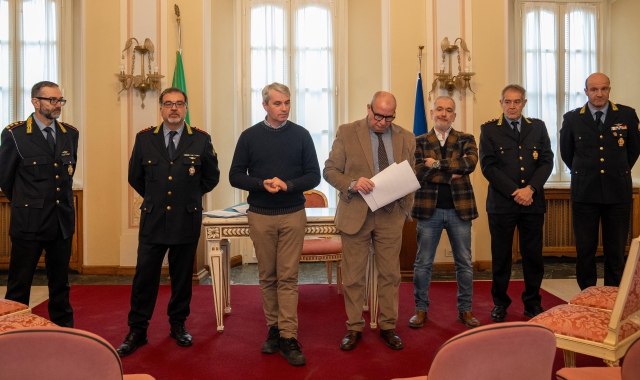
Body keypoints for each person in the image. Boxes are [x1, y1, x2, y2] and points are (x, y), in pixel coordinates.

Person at [116, 87, 220, 357]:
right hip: (154, 219)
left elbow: (211, 177)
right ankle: (137, 329)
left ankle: (178, 324)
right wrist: (155, 197)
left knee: (182, 277)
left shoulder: (200, 139)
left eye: (179, 104)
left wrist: (190, 196)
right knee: (144, 278)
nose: (174, 108)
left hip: (186, 218)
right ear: (160, 108)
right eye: (168, 104)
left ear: (186, 108)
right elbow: (134, 177)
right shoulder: (144, 139)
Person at [229, 82, 320, 366]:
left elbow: (314, 176)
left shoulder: (302, 135)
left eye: (287, 103)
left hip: (293, 213)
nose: (284, 108)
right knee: (267, 275)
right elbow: (234, 175)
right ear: (265, 105)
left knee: (288, 277)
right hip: (260, 214)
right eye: (278, 104)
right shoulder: (249, 136)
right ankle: (274, 328)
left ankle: (288, 336)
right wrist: (261, 183)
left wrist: (288, 184)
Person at [324, 91, 416, 351]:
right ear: (369, 109)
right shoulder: (347, 132)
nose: (383, 122)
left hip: (390, 215)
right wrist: (353, 184)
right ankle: (354, 327)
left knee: (390, 274)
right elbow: (329, 170)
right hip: (356, 213)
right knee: (353, 276)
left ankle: (388, 326)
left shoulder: (406, 137)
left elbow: (409, 174)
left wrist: (405, 206)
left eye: (389, 117)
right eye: (378, 116)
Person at [0, 81, 79, 328]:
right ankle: (13, 332)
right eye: (52, 100)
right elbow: (6, 179)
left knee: (60, 282)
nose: (58, 105)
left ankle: (64, 329)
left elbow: (66, 173)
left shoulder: (70, 133)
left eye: (60, 100)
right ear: (35, 102)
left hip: (61, 221)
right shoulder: (15, 134)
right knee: (19, 283)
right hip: (29, 223)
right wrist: (28, 204)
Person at [479, 84, 553, 322]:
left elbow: (546, 161)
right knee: (501, 257)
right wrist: (515, 191)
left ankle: (532, 302)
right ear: (501, 103)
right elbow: (488, 166)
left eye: (517, 101)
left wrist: (530, 189)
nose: (512, 106)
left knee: (533, 256)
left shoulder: (538, 127)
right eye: (508, 102)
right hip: (502, 205)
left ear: (524, 103)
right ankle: (500, 303)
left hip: (532, 202)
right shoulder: (489, 130)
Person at [560, 73, 640, 290]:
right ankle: (586, 297)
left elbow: (633, 150)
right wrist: (586, 172)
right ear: (586, 91)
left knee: (616, 251)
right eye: (594, 89)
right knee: (585, 250)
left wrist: (617, 171)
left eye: (603, 89)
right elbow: (567, 153)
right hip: (585, 193)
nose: (599, 93)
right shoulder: (573, 118)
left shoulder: (627, 115)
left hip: (617, 193)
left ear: (609, 90)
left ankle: (613, 297)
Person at [409, 95, 480, 330]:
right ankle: (421, 310)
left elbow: (469, 164)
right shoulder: (418, 141)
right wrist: (451, 172)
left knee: (465, 264)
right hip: (429, 211)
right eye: (439, 109)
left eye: (449, 110)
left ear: (454, 115)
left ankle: (465, 310)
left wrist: (437, 164)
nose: (443, 113)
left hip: (460, 211)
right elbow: (418, 170)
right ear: (431, 113)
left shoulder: (466, 138)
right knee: (422, 264)